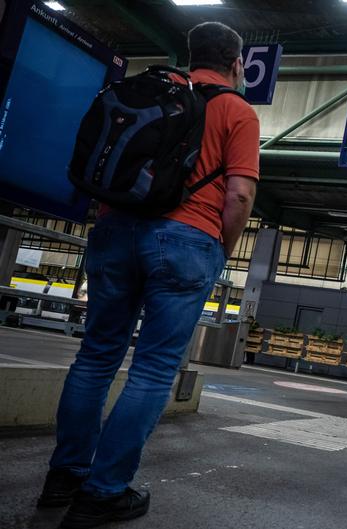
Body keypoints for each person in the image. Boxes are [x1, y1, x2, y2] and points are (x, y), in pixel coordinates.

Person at [38, 22, 259, 528]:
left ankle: (63, 477)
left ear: (191, 54)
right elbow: (240, 195)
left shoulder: (151, 92)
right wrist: (219, 250)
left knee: (95, 357)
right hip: (186, 240)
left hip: (116, 230)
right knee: (154, 369)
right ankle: (103, 492)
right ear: (236, 64)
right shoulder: (236, 110)